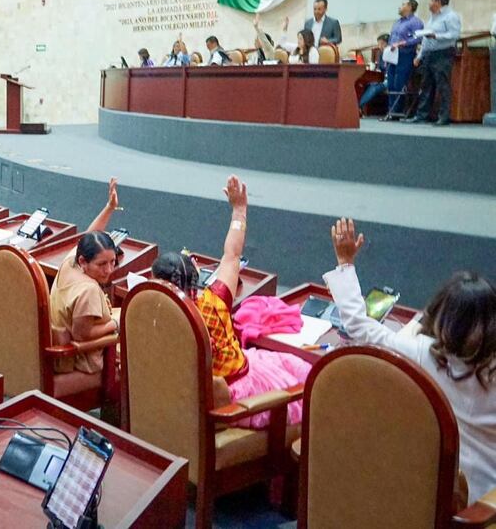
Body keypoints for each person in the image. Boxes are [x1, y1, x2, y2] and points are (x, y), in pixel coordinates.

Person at [323, 218, 495, 503]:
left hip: (426, 495)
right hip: (486, 502)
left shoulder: (422, 353)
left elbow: (358, 325)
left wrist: (345, 262)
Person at [150, 176, 311, 428]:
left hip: (194, 399)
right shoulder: (214, 301)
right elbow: (232, 255)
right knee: (307, 379)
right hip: (236, 393)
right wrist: (239, 210)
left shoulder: (153, 320)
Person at [49, 179, 122, 377]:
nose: (109, 270)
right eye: (101, 264)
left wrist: (109, 207)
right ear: (84, 261)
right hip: (80, 360)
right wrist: (116, 323)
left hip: (60, 347)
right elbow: (82, 335)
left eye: (112, 262)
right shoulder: (88, 289)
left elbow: (89, 236)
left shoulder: (69, 263)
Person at [405, 0, 462, 126]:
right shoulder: (432, 18)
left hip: (443, 53)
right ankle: (421, 115)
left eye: (431, 0)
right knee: (426, 85)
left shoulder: (451, 16)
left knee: (442, 85)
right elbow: (426, 38)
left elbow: (454, 35)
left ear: (438, 2)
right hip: (429, 54)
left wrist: (437, 36)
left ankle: (443, 116)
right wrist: (420, 55)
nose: (429, 3)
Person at [358, 34, 393, 111]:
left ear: (387, 44)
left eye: (382, 44)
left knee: (374, 87)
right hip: (382, 77)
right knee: (365, 84)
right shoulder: (381, 54)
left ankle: (357, 106)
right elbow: (380, 68)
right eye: (379, 44)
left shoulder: (393, 53)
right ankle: (363, 108)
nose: (380, 46)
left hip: (391, 79)